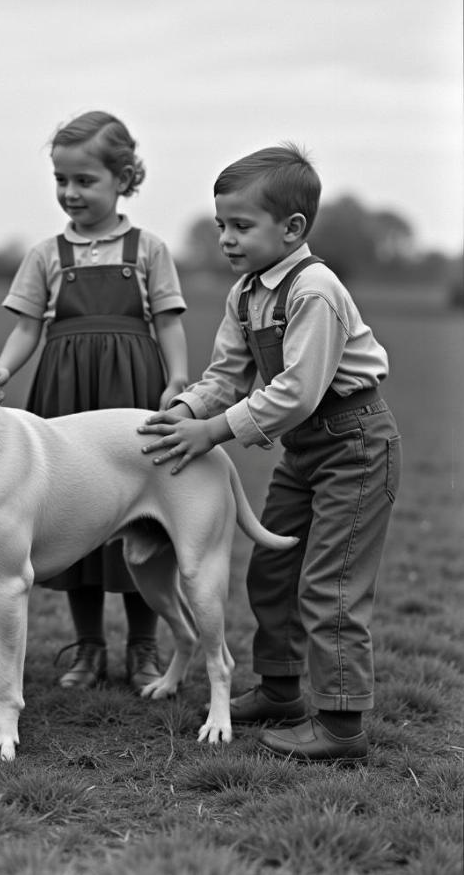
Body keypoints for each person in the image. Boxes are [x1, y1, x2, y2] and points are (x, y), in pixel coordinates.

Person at [139, 144, 401, 764]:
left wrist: (216, 432)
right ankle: (281, 689)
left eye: (241, 226)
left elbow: (298, 390)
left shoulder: (315, 290)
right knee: (272, 564)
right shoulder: (246, 293)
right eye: (220, 224)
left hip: (356, 443)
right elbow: (227, 375)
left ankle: (341, 726)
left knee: (329, 584)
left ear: (292, 229)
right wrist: (187, 413)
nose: (226, 239)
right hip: (305, 449)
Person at [0, 111, 189, 694]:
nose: (71, 193)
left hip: (131, 392)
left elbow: (167, 321)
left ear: (123, 178)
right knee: (76, 519)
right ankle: (87, 647)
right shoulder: (46, 254)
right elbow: (25, 330)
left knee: (144, 521)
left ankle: (144, 648)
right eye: (61, 181)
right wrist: (5, 369)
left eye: (85, 181)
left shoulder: (149, 249)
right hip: (66, 392)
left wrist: (178, 381)